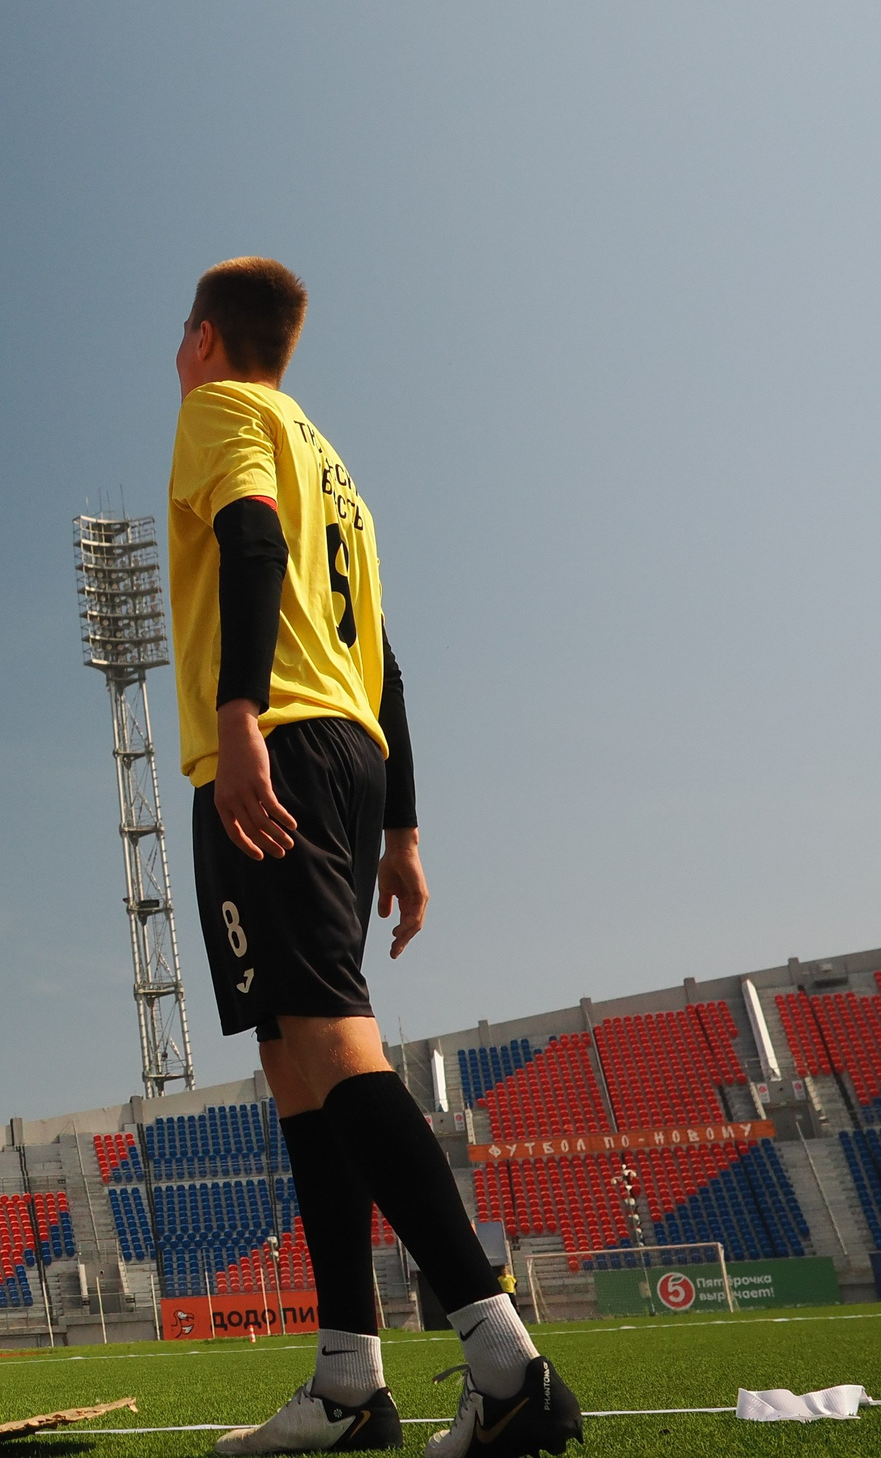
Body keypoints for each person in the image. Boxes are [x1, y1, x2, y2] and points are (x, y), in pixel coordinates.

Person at [167, 260, 584, 1458]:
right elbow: (387, 663)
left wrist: (238, 712)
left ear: (203, 339)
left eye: (179, 336)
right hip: (343, 746)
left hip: (274, 743)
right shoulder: (330, 462)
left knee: (331, 1042)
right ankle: (349, 1383)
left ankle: (505, 1364)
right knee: (294, 1059)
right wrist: (403, 826)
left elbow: (246, 539)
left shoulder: (221, 412)